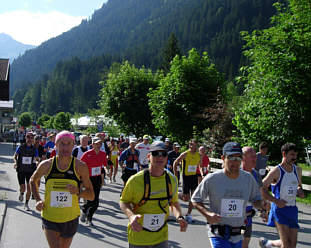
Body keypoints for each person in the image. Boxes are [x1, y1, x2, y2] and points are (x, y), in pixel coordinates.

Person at [191, 142, 266, 248]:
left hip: (238, 233)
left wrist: (262, 205)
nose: (235, 162)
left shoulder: (248, 178)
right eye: (231, 157)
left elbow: (256, 200)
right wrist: (207, 214)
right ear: (223, 158)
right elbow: (195, 200)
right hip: (218, 233)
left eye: (238, 158)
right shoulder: (212, 179)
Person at [30, 130, 94, 248]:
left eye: (68, 143)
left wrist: (78, 192)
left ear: (73, 145)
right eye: (62, 144)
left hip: (70, 218)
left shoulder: (80, 166)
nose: (65, 147)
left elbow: (91, 195)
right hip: (50, 217)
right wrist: (38, 199)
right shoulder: (46, 165)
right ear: (56, 145)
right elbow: (32, 180)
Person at [119, 141, 188, 248]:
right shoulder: (135, 180)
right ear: (148, 156)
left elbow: (173, 203)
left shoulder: (171, 180)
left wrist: (179, 217)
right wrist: (131, 216)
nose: (160, 157)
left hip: (161, 237)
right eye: (155, 153)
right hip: (139, 238)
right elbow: (124, 202)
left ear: (167, 158)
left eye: (163, 154)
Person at [259, 143, 305, 248]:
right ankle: (269, 244)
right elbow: (262, 188)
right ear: (284, 154)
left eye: (296, 155)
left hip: (292, 209)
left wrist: (299, 191)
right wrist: (275, 201)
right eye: (292, 155)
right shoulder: (276, 171)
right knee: (286, 244)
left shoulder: (298, 170)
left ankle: (268, 244)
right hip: (279, 210)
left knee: (292, 244)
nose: (294, 158)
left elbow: (298, 186)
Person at [241, 147, 267, 248]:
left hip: (248, 216)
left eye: (255, 157)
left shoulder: (256, 175)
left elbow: (260, 196)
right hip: (232, 217)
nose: (255, 159)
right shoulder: (234, 173)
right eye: (252, 157)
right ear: (243, 158)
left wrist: (263, 210)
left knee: (245, 244)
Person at [80, 137, 108, 226]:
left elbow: (104, 166)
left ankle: (88, 215)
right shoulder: (87, 154)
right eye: (96, 144)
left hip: (97, 178)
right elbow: (80, 166)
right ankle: (86, 213)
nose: (98, 145)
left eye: (100, 144)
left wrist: (106, 174)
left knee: (96, 202)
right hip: (89, 179)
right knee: (92, 199)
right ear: (92, 144)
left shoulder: (103, 154)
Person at [173, 139, 201, 223]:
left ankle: (188, 214)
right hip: (186, 177)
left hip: (194, 177)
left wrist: (200, 175)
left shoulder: (198, 155)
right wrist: (175, 175)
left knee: (193, 197)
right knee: (186, 199)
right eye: (191, 145)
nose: (192, 146)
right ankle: (177, 194)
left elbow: (199, 165)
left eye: (194, 145)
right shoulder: (185, 154)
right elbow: (175, 162)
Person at [13, 131, 39, 210]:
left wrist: (38, 162)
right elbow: (15, 156)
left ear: (33, 139)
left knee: (29, 188)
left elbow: (37, 159)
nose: (29, 139)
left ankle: (26, 204)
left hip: (30, 170)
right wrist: (16, 163)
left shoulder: (34, 149)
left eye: (31, 138)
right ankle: (21, 193)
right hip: (21, 169)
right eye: (28, 137)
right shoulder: (20, 147)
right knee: (23, 188)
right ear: (25, 138)